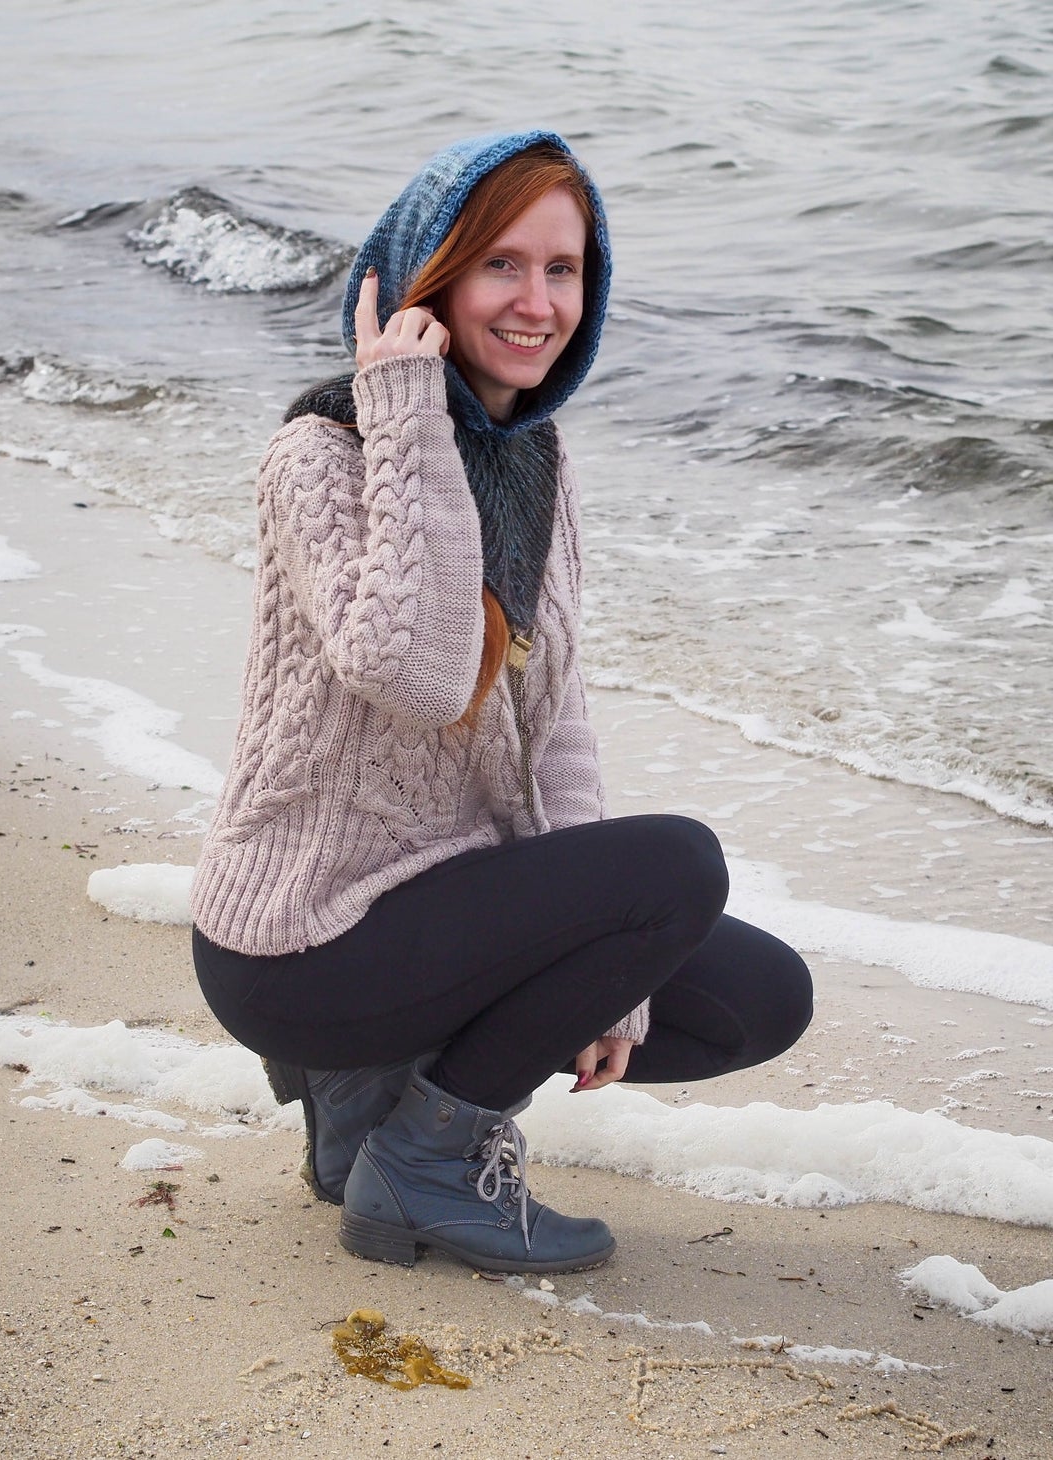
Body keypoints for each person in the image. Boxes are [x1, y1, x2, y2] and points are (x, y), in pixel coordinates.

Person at [190, 130, 813, 1275]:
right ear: (429, 276)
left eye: (562, 269)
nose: (537, 303)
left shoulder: (535, 459)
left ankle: (370, 1104)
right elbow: (415, 673)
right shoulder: (321, 455)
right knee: (680, 862)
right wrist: (405, 410)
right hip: (302, 940)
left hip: (440, 912)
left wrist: (610, 974)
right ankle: (423, 1157)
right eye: (501, 266)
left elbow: (556, 720)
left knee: (757, 996)